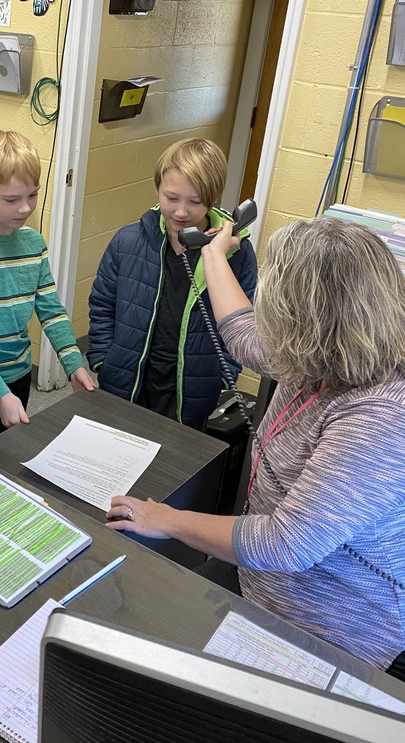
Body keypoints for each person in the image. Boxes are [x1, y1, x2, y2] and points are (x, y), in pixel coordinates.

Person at [107, 217, 405, 675]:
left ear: (306, 315)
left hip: (331, 628)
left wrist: (166, 519)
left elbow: (286, 544)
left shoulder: (380, 416)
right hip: (259, 581)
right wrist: (211, 253)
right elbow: (242, 332)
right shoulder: (317, 353)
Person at [87, 138, 258, 430]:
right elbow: (102, 305)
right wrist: (103, 360)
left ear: (213, 198)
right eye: (171, 198)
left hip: (192, 389)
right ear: (157, 190)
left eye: (194, 202)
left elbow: (243, 322)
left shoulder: (235, 254)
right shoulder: (127, 241)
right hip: (128, 379)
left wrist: (222, 376)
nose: (181, 212)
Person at [0, 129, 94, 450]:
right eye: (12, 199)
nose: (25, 208)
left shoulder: (33, 243)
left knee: (10, 455)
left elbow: (51, 311)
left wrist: (73, 363)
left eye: (33, 195)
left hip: (17, 370)